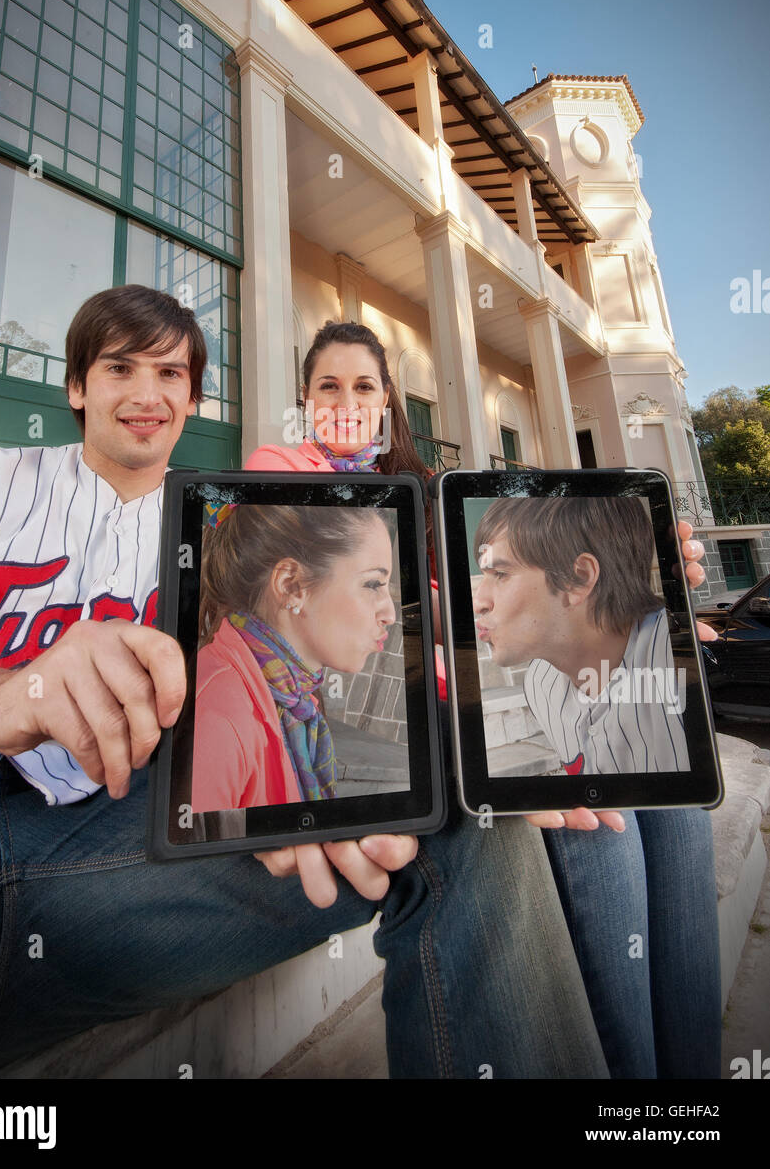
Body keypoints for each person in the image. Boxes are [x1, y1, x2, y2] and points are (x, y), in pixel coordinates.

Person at [0, 285, 610, 1080]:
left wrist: (620, 590)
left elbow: (299, 680)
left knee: (473, 805)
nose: (146, 394)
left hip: (113, 850)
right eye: (119, 368)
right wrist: (4, 696)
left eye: (170, 374)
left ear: (193, 396)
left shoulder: (225, 525)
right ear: (76, 386)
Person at [246, 318, 721, 1080]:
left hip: (465, 681)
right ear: (304, 400)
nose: (344, 401)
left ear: (387, 400)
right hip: (387, 707)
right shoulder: (278, 468)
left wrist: (636, 581)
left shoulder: (429, 490)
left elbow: (468, 605)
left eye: (362, 385)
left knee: (675, 812)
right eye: (326, 386)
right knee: (600, 831)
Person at [190, 504, 396, 810]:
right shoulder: (217, 720)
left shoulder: (293, 699)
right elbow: (201, 856)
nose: (390, 614)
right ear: (291, 585)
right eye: (372, 584)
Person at [471, 495, 689, 774]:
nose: (479, 601)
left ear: (579, 578)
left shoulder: (675, 659)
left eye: (500, 573)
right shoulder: (541, 683)